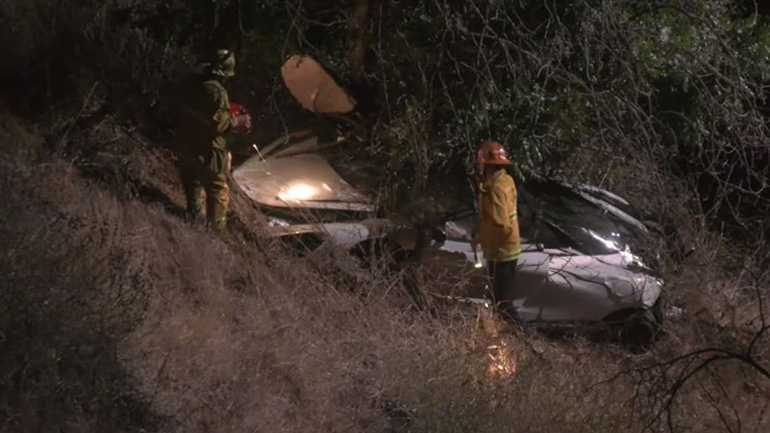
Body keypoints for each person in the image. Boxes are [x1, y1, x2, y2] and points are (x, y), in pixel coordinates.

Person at [173, 49, 251, 232]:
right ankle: (214, 233)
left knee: (193, 183)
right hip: (208, 150)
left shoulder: (190, 83)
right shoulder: (217, 91)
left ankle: (193, 223)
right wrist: (238, 120)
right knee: (217, 190)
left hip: (186, 143)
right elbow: (218, 126)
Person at [471, 141, 522, 321]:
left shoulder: (496, 188)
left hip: (502, 252)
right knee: (498, 300)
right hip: (503, 249)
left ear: (486, 164)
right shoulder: (504, 180)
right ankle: (507, 339)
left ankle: (522, 338)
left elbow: (500, 224)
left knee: (503, 304)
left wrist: (480, 238)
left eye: (480, 162)